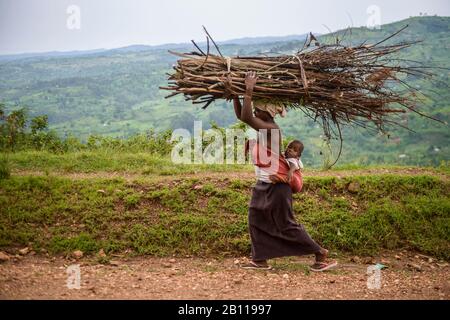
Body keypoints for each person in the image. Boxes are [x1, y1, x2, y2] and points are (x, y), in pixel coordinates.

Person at [233, 71, 337, 272]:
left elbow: (245, 117)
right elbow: (241, 115)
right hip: (263, 184)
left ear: (267, 112)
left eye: (257, 109)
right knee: (255, 218)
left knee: (286, 224)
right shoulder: (263, 127)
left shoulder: (271, 129)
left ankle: (320, 253)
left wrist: (248, 89)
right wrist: (234, 94)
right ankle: (260, 260)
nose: (254, 111)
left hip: (278, 187)